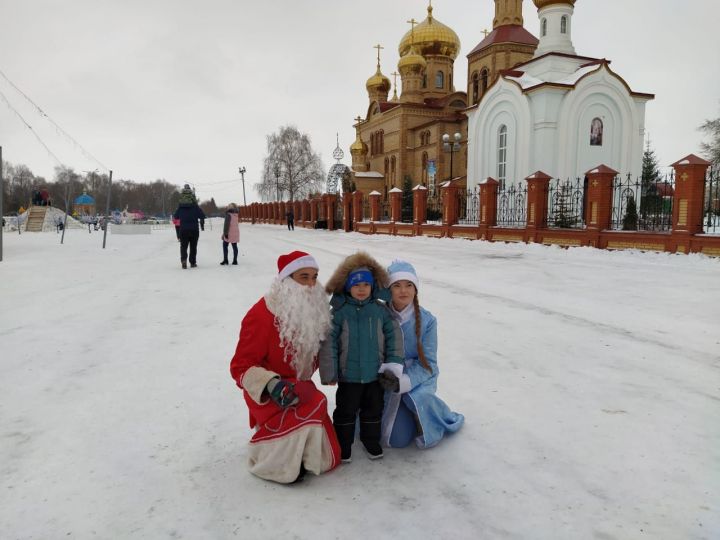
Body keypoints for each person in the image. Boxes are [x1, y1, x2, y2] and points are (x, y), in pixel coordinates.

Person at [230, 251, 341, 483]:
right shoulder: (262, 314)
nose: (312, 284)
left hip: (299, 388)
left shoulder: (314, 311)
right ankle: (276, 461)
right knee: (315, 405)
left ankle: (293, 455)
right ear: (287, 280)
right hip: (268, 392)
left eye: (314, 276)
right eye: (304, 277)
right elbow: (241, 366)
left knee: (330, 449)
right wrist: (270, 384)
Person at [319, 252, 404, 462]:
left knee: (373, 410)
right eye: (356, 285)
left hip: (375, 375)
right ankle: (343, 444)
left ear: (372, 287)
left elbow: (395, 338)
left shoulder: (380, 311)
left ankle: (371, 441)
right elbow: (328, 343)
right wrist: (330, 372)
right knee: (345, 411)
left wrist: (393, 367)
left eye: (365, 285)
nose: (361, 289)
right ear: (347, 286)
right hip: (348, 376)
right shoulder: (338, 312)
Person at [379, 260, 464, 449]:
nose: (404, 291)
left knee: (411, 408)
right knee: (390, 437)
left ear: (415, 289)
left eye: (409, 285)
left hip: (417, 380)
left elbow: (429, 363)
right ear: (388, 289)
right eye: (397, 285)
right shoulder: (378, 315)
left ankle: (424, 413)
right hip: (384, 380)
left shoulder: (427, 321)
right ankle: (408, 413)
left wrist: (404, 382)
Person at [172, 198, 205, 269]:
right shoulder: (195, 207)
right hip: (194, 230)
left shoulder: (180, 207)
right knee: (193, 246)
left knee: (183, 246)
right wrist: (197, 208)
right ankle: (192, 262)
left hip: (183, 229)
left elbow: (175, 216)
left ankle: (184, 260)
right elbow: (202, 216)